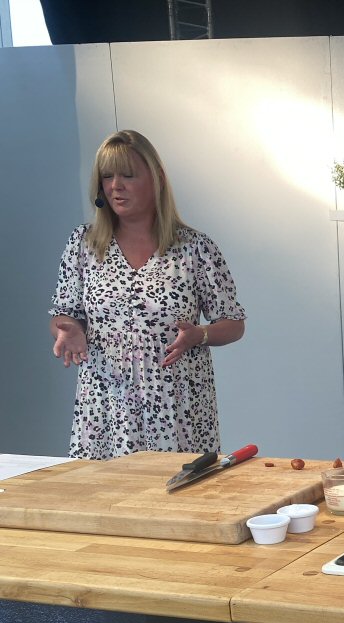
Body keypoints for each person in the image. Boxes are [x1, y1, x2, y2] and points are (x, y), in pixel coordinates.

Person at [49, 130, 246, 459]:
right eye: (107, 176)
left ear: (157, 178)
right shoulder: (84, 244)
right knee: (104, 489)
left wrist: (200, 335)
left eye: (128, 175)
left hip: (177, 408)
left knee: (177, 489)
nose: (116, 186)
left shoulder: (195, 248)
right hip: (105, 407)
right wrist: (68, 329)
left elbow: (233, 323)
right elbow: (63, 313)